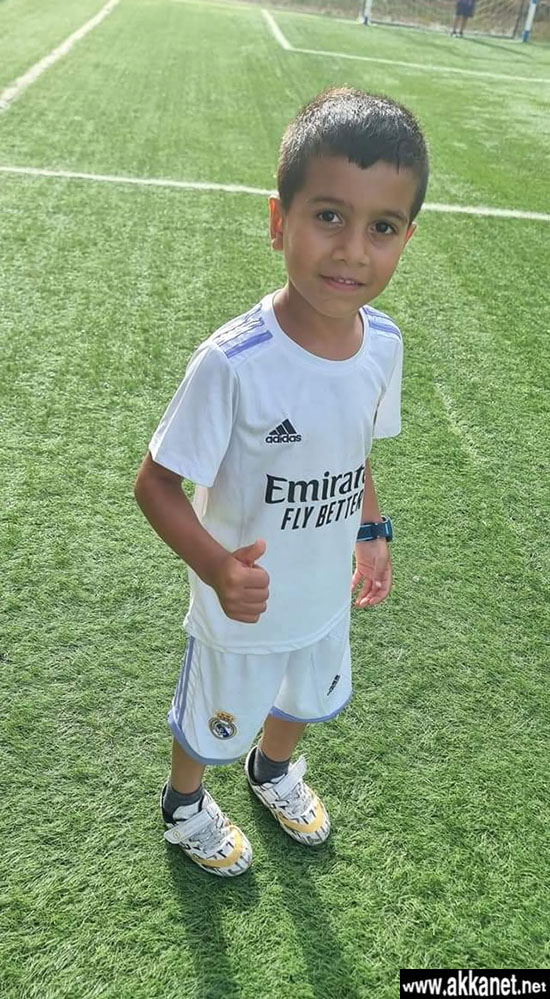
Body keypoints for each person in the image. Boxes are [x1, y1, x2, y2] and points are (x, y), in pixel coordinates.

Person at [134, 87, 429, 877]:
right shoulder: (233, 363)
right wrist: (218, 568)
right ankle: (185, 804)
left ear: (406, 238)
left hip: (321, 592)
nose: (353, 251)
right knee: (211, 719)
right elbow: (155, 483)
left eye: (382, 227)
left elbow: (356, 448)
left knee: (303, 693)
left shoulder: (384, 345)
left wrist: (371, 531)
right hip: (241, 604)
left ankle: (271, 770)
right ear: (279, 222)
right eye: (329, 215)